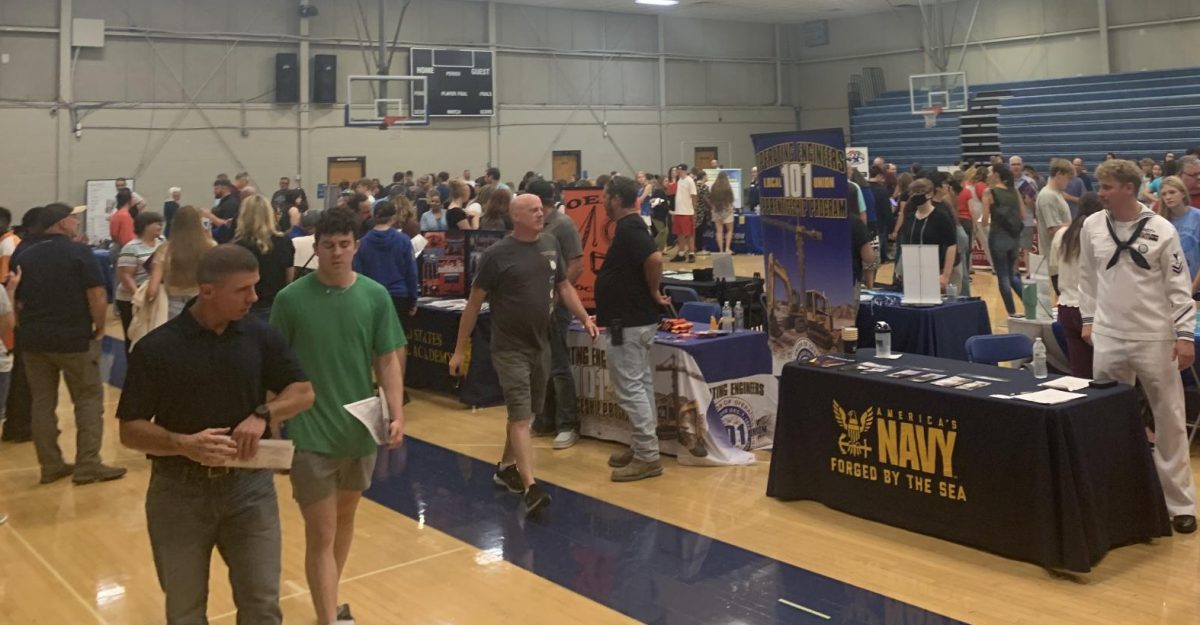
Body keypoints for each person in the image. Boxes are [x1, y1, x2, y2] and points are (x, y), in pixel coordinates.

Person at [118, 245, 314, 625]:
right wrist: (181, 444)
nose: (254, 297)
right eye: (243, 290)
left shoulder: (259, 336)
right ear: (207, 291)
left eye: (255, 287)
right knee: (185, 610)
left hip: (249, 489)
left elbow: (303, 392)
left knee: (262, 605)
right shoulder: (157, 349)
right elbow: (129, 430)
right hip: (178, 495)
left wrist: (264, 413)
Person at [270, 208, 407, 625]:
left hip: (359, 430)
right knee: (322, 533)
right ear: (316, 247)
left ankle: (328, 603)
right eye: (328, 245)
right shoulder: (290, 299)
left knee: (344, 521)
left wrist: (396, 412)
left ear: (356, 246)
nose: (336, 253)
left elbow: (387, 359)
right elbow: (274, 365)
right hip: (309, 433)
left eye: (344, 244)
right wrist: (272, 421)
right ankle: (328, 618)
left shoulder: (375, 296)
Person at [448, 195, 597, 512]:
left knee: (526, 412)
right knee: (519, 415)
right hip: (509, 348)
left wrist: (584, 318)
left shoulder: (550, 244)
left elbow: (564, 287)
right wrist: (459, 350)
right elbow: (473, 304)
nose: (540, 213)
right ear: (516, 217)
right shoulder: (496, 255)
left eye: (541, 209)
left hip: (540, 344)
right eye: (532, 210)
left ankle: (506, 469)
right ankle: (531, 487)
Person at [1079, 159, 1197, 535]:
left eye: (1108, 186)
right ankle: (1111, 498)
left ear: (1129, 187)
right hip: (1109, 336)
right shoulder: (1092, 226)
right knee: (1105, 418)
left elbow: (1178, 286)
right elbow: (1086, 277)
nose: (1101, 192)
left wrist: (1184, 334)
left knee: (1170, 420)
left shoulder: (1161, 229)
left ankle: (1180, 503)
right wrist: (1087, 319)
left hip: (1155, 337)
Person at [14, 203, 125, 485]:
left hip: (33, 339)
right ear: (62, 223)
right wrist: (100, 327)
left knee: (42, 403)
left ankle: (50, 465)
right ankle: (89, 464)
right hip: (74, 338)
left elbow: (13, 297)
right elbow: (97, 294)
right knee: (88, 399)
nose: (77, 221)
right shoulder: (79, 252)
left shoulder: (23, 251)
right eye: (73, 218)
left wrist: (21, 328)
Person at [595, 176, 670, 480]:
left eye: (604, 197)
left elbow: (654, 258)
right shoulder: (630, 227)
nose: (601, 202)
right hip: (632, 320)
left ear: (615, 199)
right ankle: (642, 445)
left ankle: (648, 456)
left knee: (630, 389)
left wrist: (653, 291)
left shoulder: (630, 227)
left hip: (629, 322)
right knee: (640, 385)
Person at [526, 180, 585, 449]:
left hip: (556, 308)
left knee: (559, 366)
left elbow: (576, 264)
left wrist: (557, 294)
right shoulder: (532, 226)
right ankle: (543, 419)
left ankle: (567, 424)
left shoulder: (564, 225)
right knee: (540, 365)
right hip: (533, 307)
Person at [1051, 192, 1101, 378]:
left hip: (1066, 307)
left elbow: (1054, 272)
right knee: (1103, 373)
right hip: (1091, 310)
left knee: (1079, 372)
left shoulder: (1062, 234)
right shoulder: (1097, 235)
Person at [353, 201, 419, 337]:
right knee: (399, 342)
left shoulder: (362, 243)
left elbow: (358, 274)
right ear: (394, 217)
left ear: (373, 216)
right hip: (399, 297)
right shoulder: (403, 240)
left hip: (372, 299)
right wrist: (413, 299)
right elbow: (411, 273)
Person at [148, 206, 218, 320]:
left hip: (172, 302)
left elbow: (152, 290)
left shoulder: (165, 249)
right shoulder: (211, 246)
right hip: (202, 300)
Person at [234, 195, 295, 322]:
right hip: (277, 306)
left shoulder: (238, 247)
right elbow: (289, 279)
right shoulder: (284, 241)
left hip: (247, 308)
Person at [115, 211, 165, 354]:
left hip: (155, 297)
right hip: (131, 299)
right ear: (145, 226)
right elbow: (125, 276)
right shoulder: (131, 247)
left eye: (160, 223)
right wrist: (139, 297)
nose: (160, 226)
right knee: (134, 336)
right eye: (156, 223)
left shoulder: (162, 243)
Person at [898, 178, 957, 292]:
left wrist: (945, 275)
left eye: (919, 192)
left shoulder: (941, 217)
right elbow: (906, 244)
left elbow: (951, 245)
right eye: (913, 192)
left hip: (935, 270)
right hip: (912, 271)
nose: (916, 195)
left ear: (930, 193)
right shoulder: (910, 218)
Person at [982, 164, 1025, 318]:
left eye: (990, 172)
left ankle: (1012, 312)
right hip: (1013, 237)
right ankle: (1029, 303)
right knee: (1012, 274)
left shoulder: (989, 192)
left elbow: (985, 219)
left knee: (1002, 276)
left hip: (998, 236)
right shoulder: (1015, 191)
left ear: (996, 175)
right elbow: (1023, 214)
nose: (988, 175)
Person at [1158, 176, 1200, 295]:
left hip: (1195, 289)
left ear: (1183, 193)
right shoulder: (1160, 222)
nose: (1168, 197)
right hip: (1171, 290)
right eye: (1164, 194)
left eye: (1172, 192)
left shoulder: (1197, 217)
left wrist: (1192, 290)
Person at [1035, 159, 1074, 279]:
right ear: (1058, 174)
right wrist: (1075, 225)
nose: (1069, 182)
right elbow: (1053, 229)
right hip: (1055, 259)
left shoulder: (1057, 194)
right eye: (1068, 178)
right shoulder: (1048, 196)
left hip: (1062, 256)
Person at [672, 167, 698, 262]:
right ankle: (681, 253)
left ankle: (691, 254)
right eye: (678, 170)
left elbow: (694, 195)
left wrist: (693, 209)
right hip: (678, 211)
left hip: (687, 212)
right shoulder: (679, 181)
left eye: (680, 170)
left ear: (685, 171)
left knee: (689, 234)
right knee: (680, 234)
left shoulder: (689, 181)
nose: (678, 171)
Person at [709, 171, 735, 254]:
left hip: (716, 211)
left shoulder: (714, 187)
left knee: (719, 231)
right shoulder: (728, 187)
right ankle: (727, 248)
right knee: (729, 230)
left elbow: (711, 199)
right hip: (727, 210)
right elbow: (731, 199)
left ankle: (720, 250)